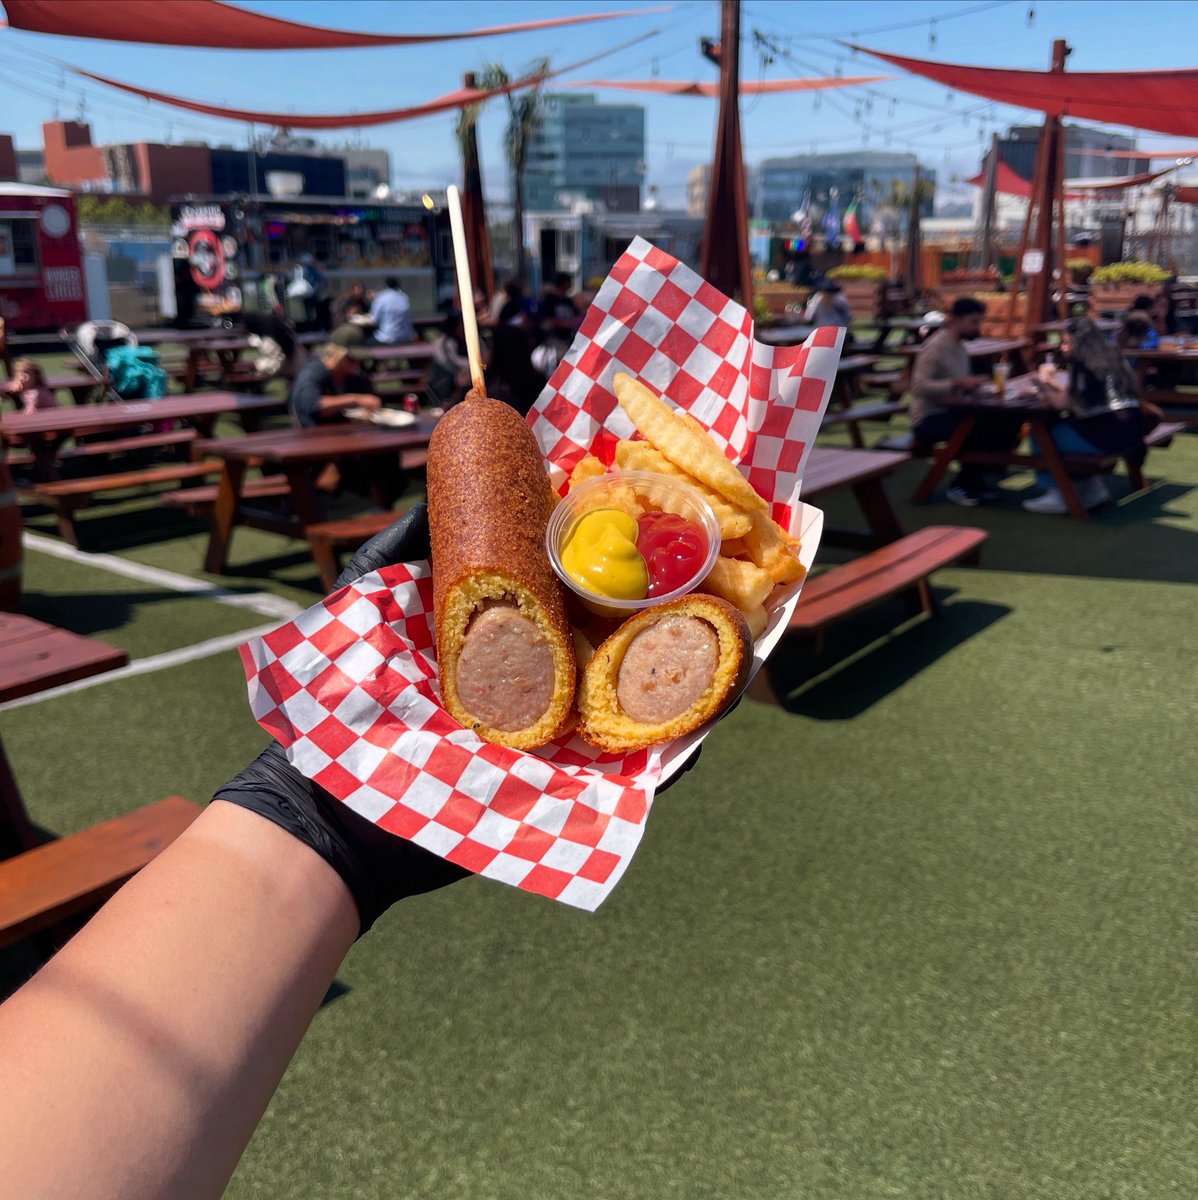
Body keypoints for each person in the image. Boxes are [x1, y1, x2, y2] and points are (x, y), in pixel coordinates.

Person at [1022, 316, 1160, 515]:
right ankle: (1094, 490)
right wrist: (1051, 385)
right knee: (1067, 425)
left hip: (1107, 438)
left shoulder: (1082, 362)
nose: (1063, 347)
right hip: (1133, 432)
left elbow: (1061, 403)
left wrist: (1041, 384)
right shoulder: (1114, 355)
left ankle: (1057, 495)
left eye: (1067, 342)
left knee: (1042, 432)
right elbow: (1079, 396)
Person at [910, 295, 1023, 507]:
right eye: (974, 322)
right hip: (928, 417)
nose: (978, 327)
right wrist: (958, 383)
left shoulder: (960, 347)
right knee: (980, 430)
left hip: (953, 411)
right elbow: (918, 386)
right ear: (956, 320)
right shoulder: (935, 347)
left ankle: (981, 479)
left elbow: (960, 385)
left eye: (979, 322)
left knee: (1007, 422)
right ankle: (961, 485)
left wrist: (976, 387)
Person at [287, 343, 380, 429]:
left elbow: (369, 399)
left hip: (347, 431)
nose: (357, 364)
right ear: (338, 356)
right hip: (312, 432)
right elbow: (313, 406)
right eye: (351, 359)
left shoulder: (356, 376)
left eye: (360, 360)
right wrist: (355, 399)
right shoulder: (313, 373)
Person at [367, 276, 415, 345]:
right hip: (406, 337)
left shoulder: (381, 297)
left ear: (385, 285)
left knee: (364, 342)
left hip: (387, 338)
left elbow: (374, 320)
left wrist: (373, 301)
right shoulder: (404, 297)